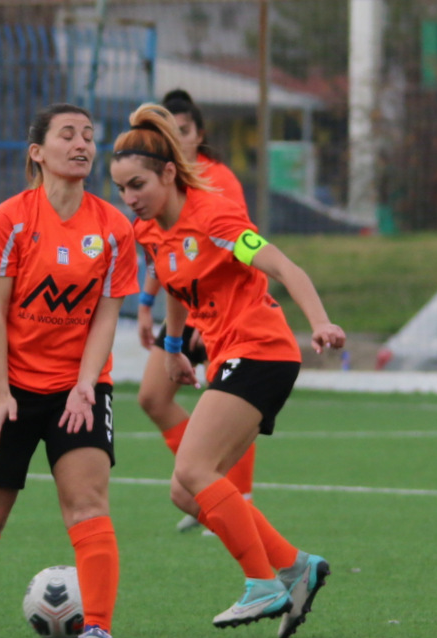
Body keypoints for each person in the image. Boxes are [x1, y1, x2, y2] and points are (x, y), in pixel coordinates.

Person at [110, 104, 344, 638]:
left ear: (169, 173)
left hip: (262, 350)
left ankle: (261, 583)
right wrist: (173, 348)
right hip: (231, 356)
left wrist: (320, 322)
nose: (129, 198)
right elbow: (175, 284)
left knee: (195, 469)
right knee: (185, 491)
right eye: (121, 188)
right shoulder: (149, 230)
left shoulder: (215, 218)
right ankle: (295, 566)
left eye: (137, 184)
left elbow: (283, 266)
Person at [0, 103, 137, 638]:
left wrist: (86, 385)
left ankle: (98, 629)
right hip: (9, 385)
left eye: (89, 136)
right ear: (37, 152)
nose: (82, 144)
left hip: (79, 389)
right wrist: (0, 396)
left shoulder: (113, 228)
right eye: (68, 135)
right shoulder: (10, 220)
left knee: (88, 504)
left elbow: (107, 317)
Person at [135, 90, 255, 534]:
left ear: (198, 134)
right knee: (152, 397)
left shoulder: (218, 179)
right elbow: (162, 252)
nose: (177, 138)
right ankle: (202, 484)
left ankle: (237, 496)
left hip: (220, 310)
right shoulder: (160, 182)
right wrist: (145, 305)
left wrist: (216, 318)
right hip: (181, 306)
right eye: (168, 131)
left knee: (229, 399)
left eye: (183, 130)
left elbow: (240, 249)